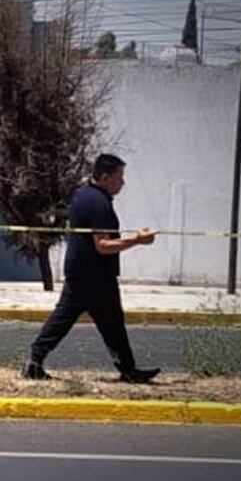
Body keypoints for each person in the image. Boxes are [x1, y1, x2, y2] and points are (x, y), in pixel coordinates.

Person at [23, 154, 160, 384]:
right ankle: (128, 370)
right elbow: (103, 246)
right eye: (119, 177)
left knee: (101, 321)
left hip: (84, 271)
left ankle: (35, 362)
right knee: (93, 321)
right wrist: (137, 240)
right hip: (93, 275)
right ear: (105, 177)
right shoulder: (99, 203)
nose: (122, 183)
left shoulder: (83, 194)